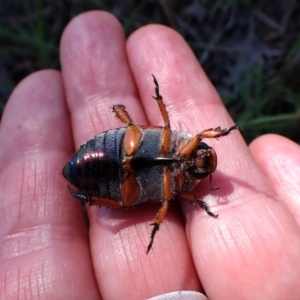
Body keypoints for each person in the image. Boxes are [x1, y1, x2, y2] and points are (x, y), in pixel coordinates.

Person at [0, 11, 299, 300]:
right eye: (204, 154)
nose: (199, 161)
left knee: (131, 197)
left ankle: (95, 198)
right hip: (118, 148)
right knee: (137, 136)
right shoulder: (187, 141)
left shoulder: (184, 185)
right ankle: (99, 190)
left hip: (126, 181)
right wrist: (218, 132)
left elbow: (178, 196)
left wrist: (194, 202)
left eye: (203, 164)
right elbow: (176, 132)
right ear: (204, 145)